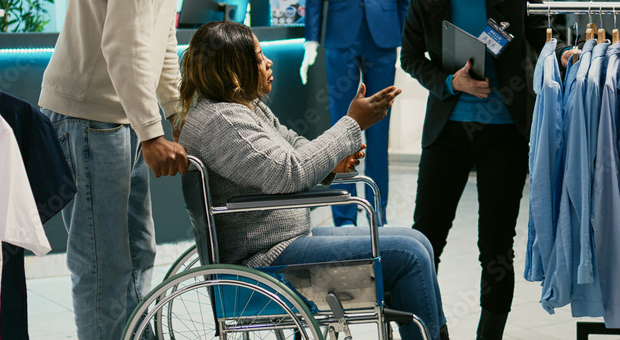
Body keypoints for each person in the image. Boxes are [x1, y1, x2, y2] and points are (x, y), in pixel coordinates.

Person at [39, 0, 233, 340]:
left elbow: (160, 38)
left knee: (138, 251)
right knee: (104, 263)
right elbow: (123, 45)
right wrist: (152, 133)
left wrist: (180, 116)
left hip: (122, 116)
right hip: (89, 117)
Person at [176, 21, 448, 340]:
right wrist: (351, 124)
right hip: (265, 263)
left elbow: (294, 146)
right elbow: (289, 171)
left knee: (418, 242)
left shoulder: (244, 110)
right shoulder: (224, 122)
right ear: (233, 70)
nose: (268, 62)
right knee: (408, 254)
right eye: (259, 56)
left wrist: (332, 162)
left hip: (285, 242)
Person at [400, 0, 573, 340]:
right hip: (448, 132)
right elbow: (410, 59)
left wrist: (552, 60)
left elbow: (547, 43)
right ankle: (429, 332)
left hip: (505, 135)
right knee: (425, 242)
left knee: (495, 248)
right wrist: (450, 81)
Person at [301, 0, 414, 227]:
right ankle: (344, 215)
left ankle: (377, 213)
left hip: (383, 39)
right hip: (341, 38)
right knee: (342, 126)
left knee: (379, 129)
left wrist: (411, 40)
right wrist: (310, 41)